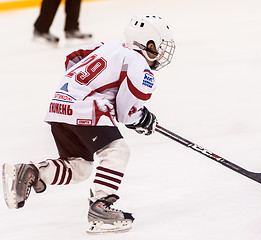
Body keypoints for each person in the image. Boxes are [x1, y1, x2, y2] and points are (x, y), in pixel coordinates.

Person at [2, 15, 176, 233]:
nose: (159, 54)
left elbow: (73, 57)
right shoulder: (140, 64)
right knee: (117, 151)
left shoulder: (108, 46)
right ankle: (101, 207)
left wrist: (81, 88)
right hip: (85, 107)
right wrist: (141, 119)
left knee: (80, 167)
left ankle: (31, 172)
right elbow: (126, 114)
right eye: (158, 47)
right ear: (149, 43)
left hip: (60, 104)